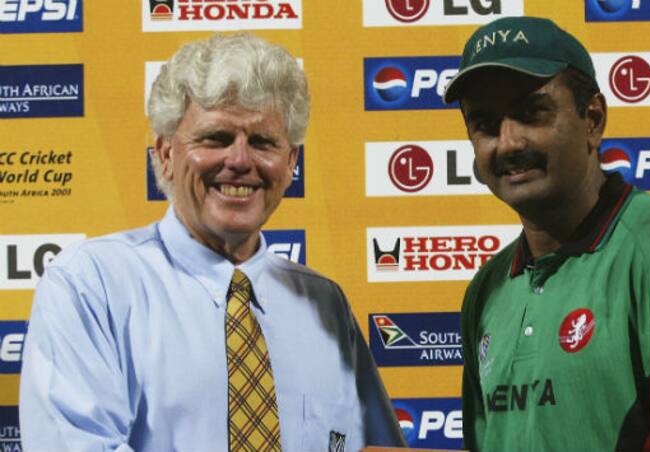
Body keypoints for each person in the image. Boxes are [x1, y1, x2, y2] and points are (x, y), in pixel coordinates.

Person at [19, 33, 404, 452]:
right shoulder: (91, 285)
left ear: (291, 162)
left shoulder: (325, 304)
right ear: (165, 154)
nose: (239, 161)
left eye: (263, 142)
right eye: (216, 138)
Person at [443, 16, 650, 451]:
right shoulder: (487, 289)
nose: (508, 142)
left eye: (530, 113)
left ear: (593, 119)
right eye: (484, 123)